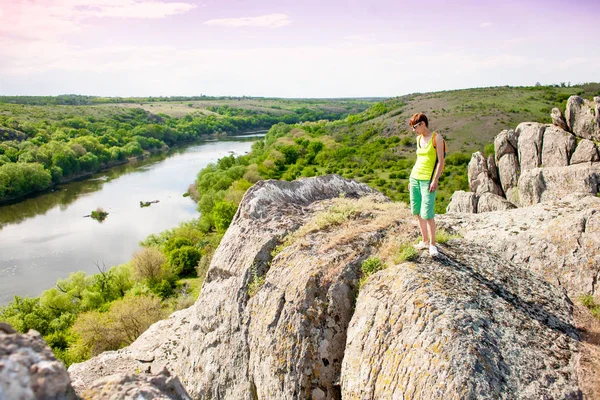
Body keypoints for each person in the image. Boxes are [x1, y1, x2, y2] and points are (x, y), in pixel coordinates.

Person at [407, 112, 445, 257]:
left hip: (427, 180)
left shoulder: (437, 138)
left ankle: (432, 244)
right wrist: (411, 180)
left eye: (415, 127)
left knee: (427, 213)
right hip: (415, 178)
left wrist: (435, 180)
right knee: (417, 211)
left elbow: (441, 161)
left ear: (423, 124)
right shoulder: (418, 139)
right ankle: (424, 240)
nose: (414, 130)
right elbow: (418, 161)